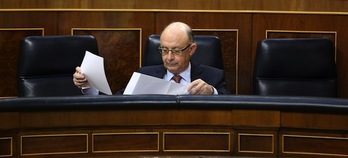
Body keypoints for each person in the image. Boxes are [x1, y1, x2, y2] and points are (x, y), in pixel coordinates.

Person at [73, 21, 229, 95]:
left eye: (175, 51)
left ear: (192, 49)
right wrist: (88, 85)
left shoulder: (213, 76)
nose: (169, 58)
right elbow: (115, 103)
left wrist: (211, 92)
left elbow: (231, 105)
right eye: (164, 50)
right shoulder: (144, 75)